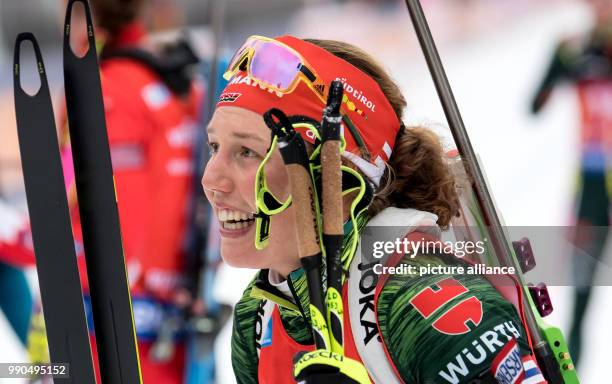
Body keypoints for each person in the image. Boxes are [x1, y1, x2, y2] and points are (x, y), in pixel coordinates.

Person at [203, 35, 547, 383]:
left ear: (340, 176)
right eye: (214, 146)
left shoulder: (419, 297)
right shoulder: (258, 315)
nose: (211, 179)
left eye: (248, 152)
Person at [58, 0, 203, 381]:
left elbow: (121, 209)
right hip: (169, 307)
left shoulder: (109, 84)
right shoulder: (174, 78)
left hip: (120, 321)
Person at [531, 0, 612, 366]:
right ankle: (573, 369)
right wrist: (562, 62)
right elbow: (535, 104)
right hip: (592, 187)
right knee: (581, 292)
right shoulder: (575, 49)